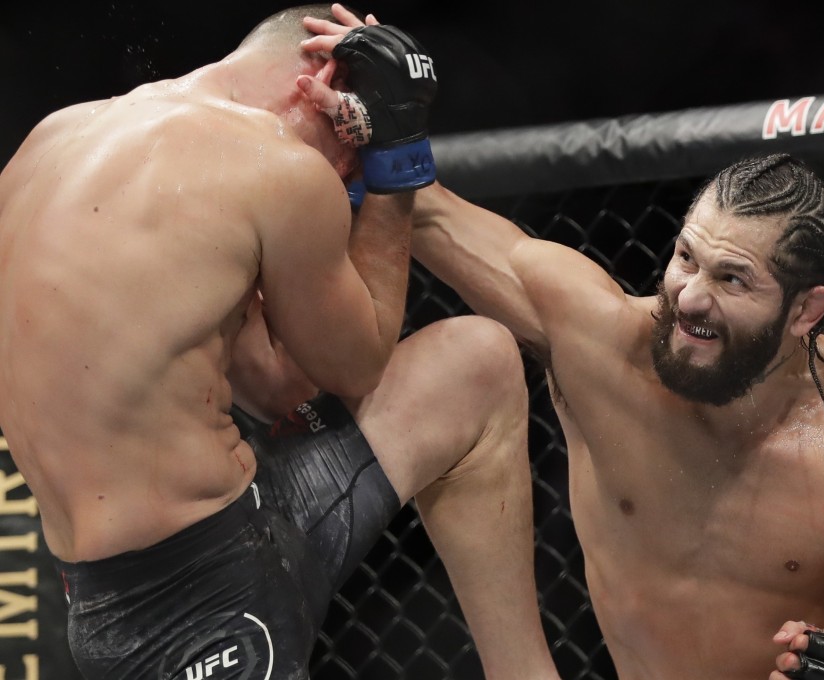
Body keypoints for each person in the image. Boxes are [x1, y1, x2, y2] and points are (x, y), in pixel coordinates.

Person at [300, 10, 824, 678]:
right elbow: (427, 208)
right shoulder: (600, 344)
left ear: (805, 311)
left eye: (734, 280)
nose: (693, 295)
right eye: (687, 259)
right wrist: (372, 112)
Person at [0, 5, 560, 679]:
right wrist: (393, 167)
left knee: (477, 365)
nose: (347, 177)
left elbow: (279, 387)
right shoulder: (274, 168)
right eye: (355, 146)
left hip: (193, 545)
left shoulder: (53, 139)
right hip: (196, 611)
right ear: (323, 81)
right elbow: (358, 365)